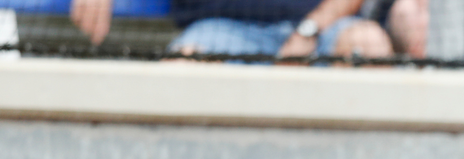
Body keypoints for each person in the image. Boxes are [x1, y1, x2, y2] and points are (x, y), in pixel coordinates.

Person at [165, 0, 392, 58]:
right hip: (223, 27)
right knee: (182, 62)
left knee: (369, 43)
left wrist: (308, 30)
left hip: (321, 28)